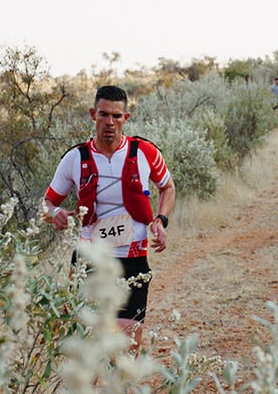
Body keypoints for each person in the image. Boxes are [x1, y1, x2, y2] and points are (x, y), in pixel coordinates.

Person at [43, 85, 176, 354]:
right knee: (88, 346)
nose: (109, 122)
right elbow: (46, 203)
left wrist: (161, 219)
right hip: (89, 260)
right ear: (93, 114)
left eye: (116, 116)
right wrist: (55, 214)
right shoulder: (75, 158)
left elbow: (168, 187)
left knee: (127, 348)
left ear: (126, 118)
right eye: (103, 114)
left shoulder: (144, 153)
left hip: (133, 260)